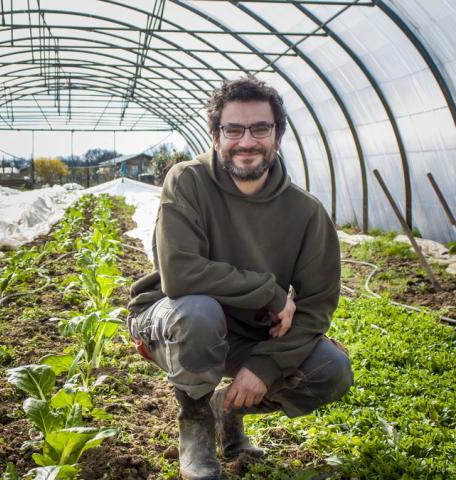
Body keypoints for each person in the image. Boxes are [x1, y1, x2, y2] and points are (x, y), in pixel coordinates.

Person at [127, 76, 353, 480]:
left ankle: (223, 407)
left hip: (248, 334)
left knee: (330, 370)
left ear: (277, 136)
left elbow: (317, 305)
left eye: (260, 128)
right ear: (216, 135)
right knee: (199, 312)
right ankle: (195, 426)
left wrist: (264, 367)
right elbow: (179, 275)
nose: (246, 141)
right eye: (233, 129)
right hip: (172, 319)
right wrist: (269, 292)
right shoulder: (188, 180)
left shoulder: (306, 212)